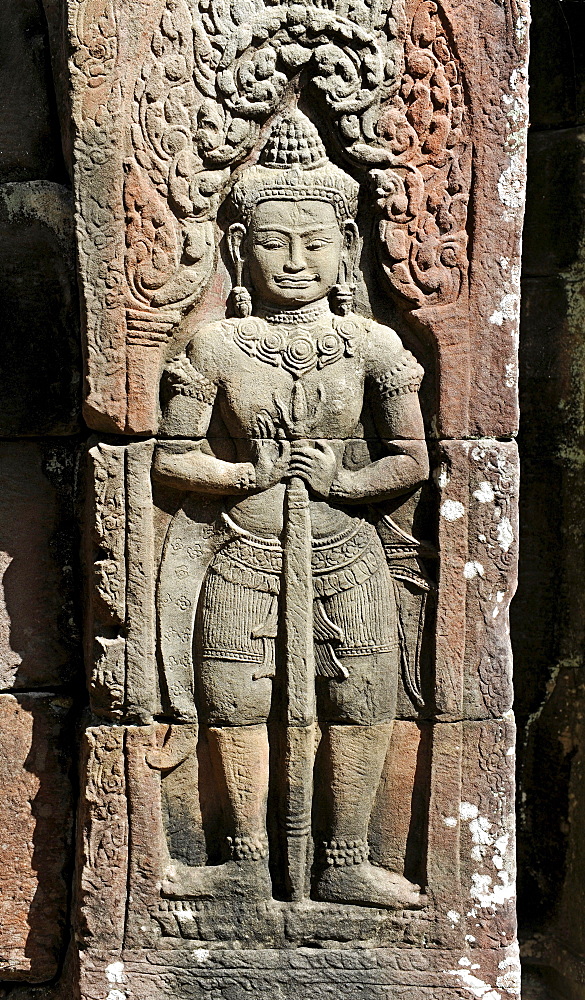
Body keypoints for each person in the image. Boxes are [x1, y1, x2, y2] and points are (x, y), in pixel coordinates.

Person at [153, 109, 428, 909]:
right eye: (275, 242)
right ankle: (243, 861)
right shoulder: (215, 347)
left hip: (347, 555)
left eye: (315, 242)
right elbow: (172, 458)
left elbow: (410, 458)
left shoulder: (370, 346)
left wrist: (342, 482)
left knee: (360, 703)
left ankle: (344, 859)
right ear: (239, 250)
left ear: (348, 246)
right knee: (236, 706)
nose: (297, 260)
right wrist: (247, 472)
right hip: (244, 552)